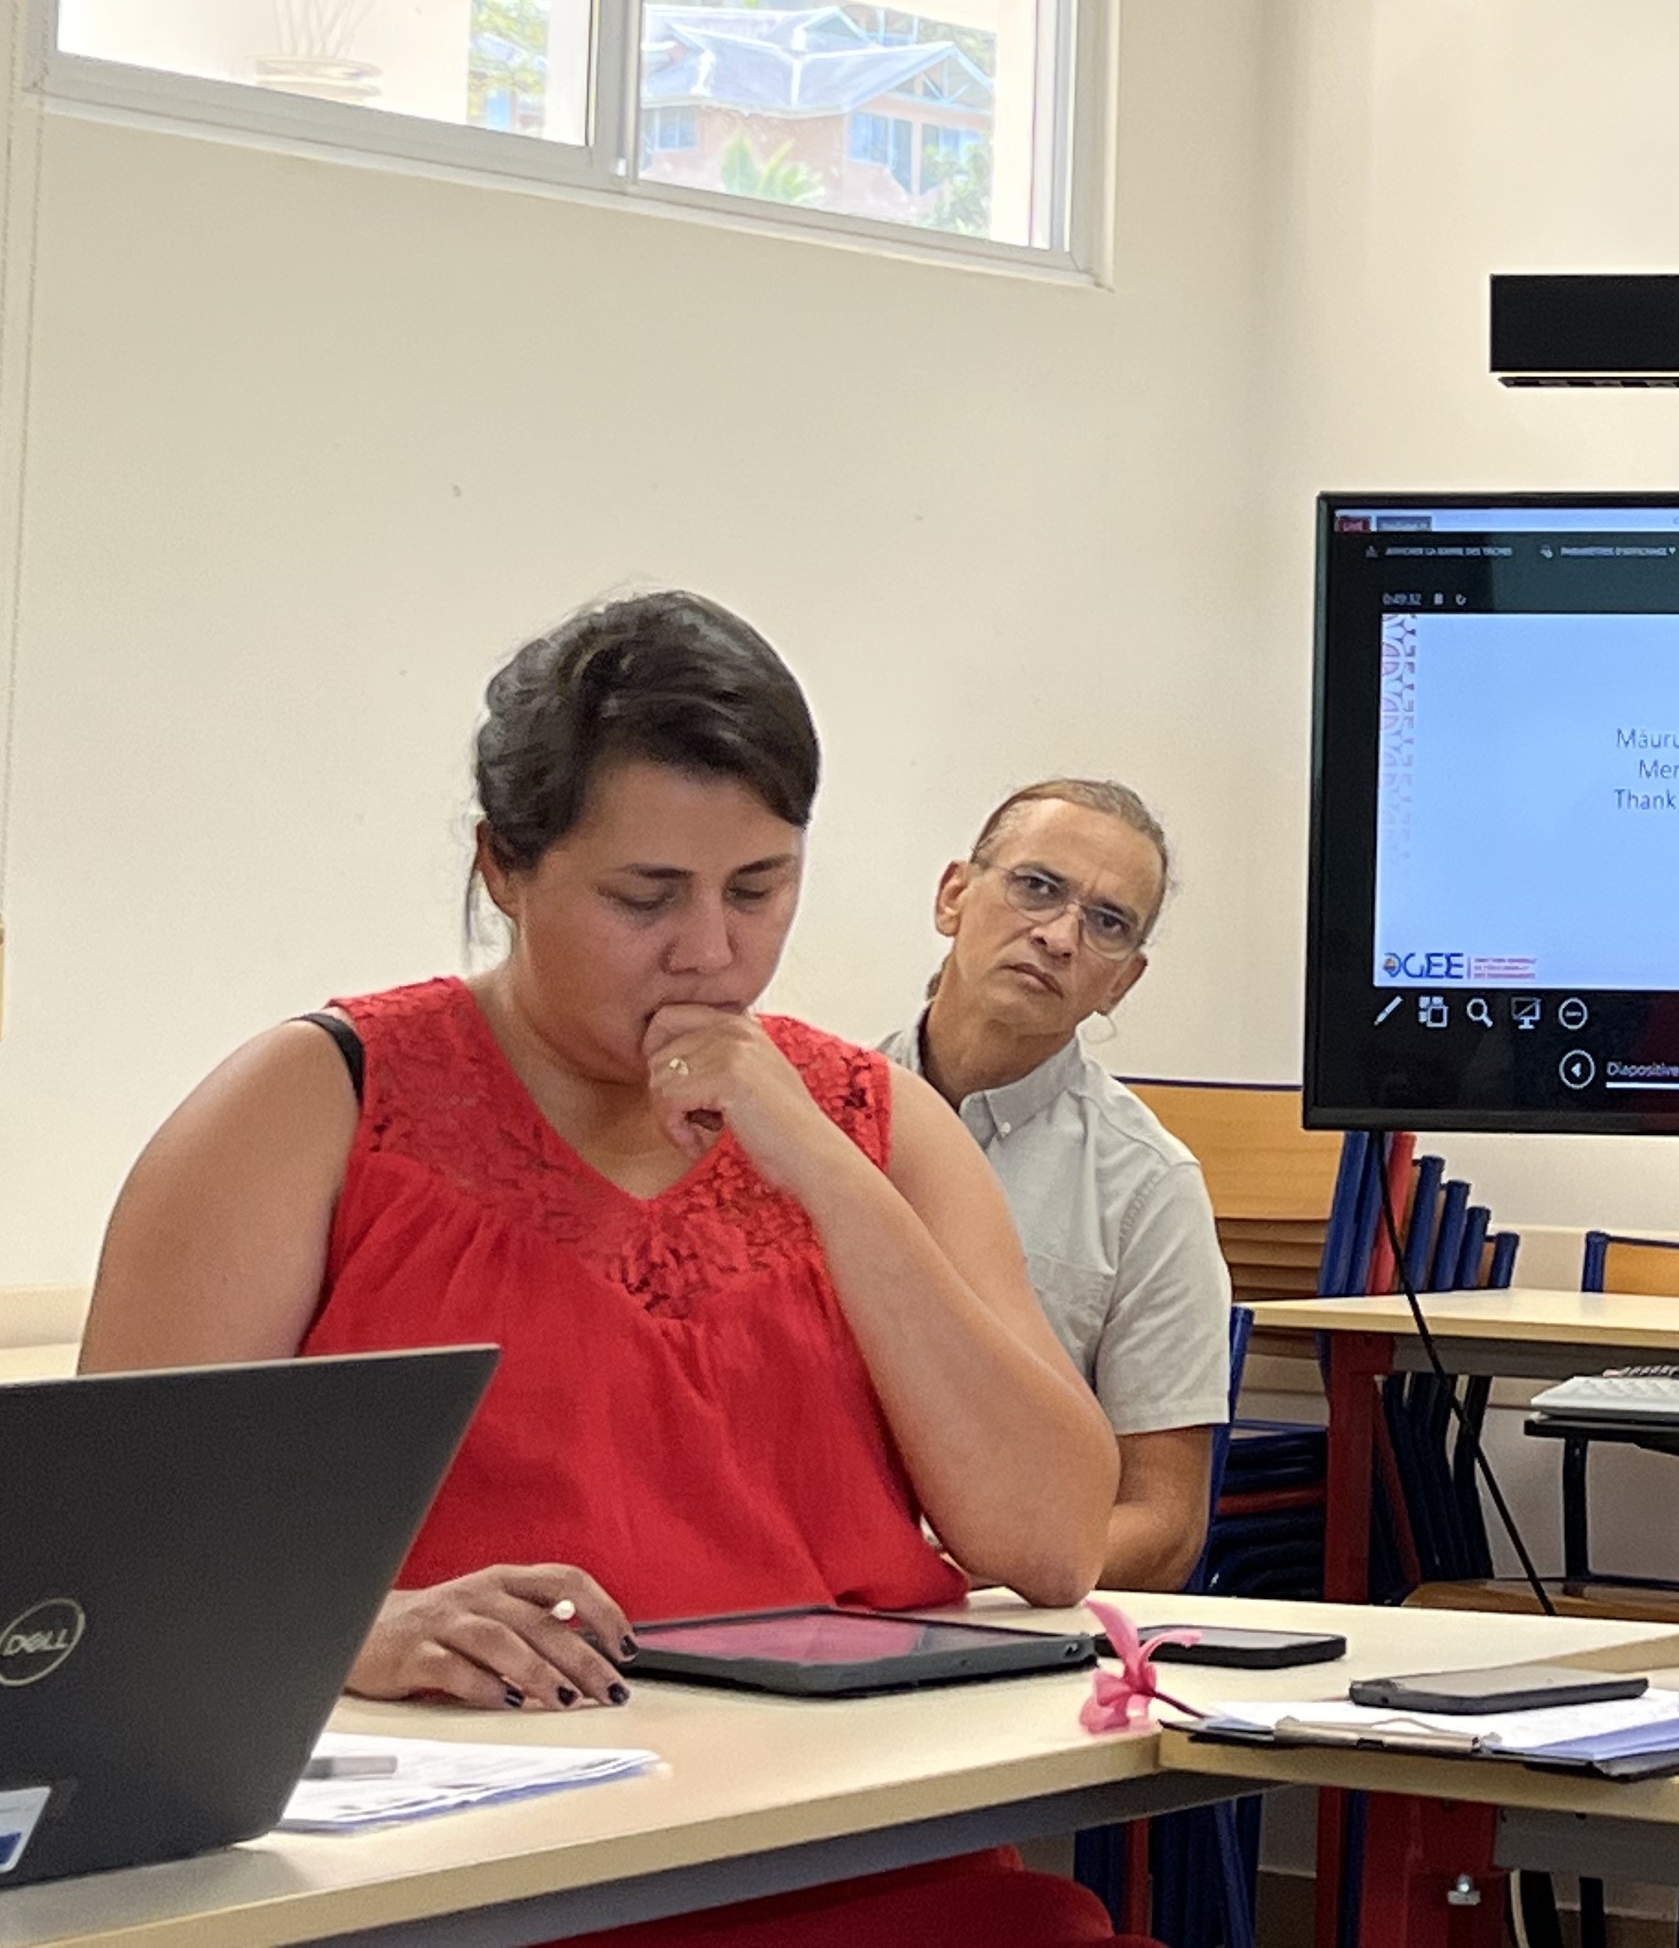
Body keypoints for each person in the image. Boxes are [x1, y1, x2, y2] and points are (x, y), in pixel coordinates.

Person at [81, 594, 1126, 1948]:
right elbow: (105, 1581)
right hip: (472, 1876)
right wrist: (359, 1633)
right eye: (645, 897)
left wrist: (824, 1172)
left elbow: (1048, 1541)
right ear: (504, 869)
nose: (710, 950)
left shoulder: (874, 1125)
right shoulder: (314, 1105)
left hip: (863, 1851)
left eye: (759, 889)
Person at [887, 779, 1233, 1590]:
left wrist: (959, 1583)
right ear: (953, 896)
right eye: (1037, 887)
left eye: (1107, 922)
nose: (1058, 936)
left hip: (990, 1606)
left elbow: (1166, 1526)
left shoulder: (1147, 1189)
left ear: (1123, 982)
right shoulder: (810, 1116)